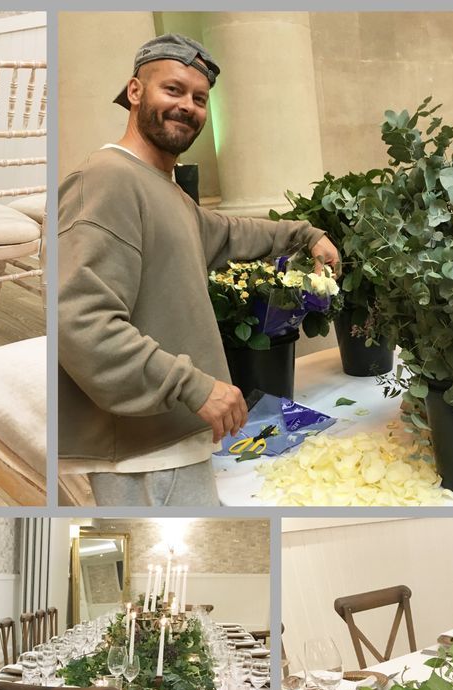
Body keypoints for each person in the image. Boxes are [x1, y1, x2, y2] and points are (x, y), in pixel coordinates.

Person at [58, 33, 340, 506]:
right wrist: (192, 385)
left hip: (171, 438)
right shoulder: (107, 179)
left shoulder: (164, 191)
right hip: (143, 455)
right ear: (134, 92)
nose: (187, 106)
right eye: (172, 90)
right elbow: (79, 322)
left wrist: (305, 235)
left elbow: (229, 234)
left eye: (199, 98)